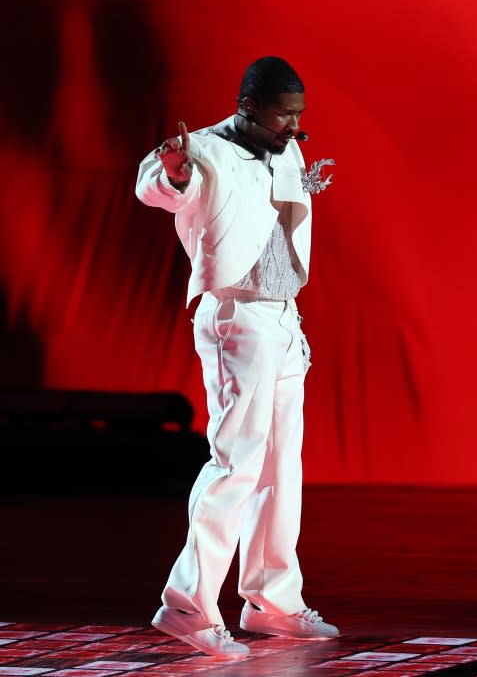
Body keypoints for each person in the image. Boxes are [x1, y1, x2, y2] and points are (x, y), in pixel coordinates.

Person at [135, 56, 339, 659]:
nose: (294, 128)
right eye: (285, 115)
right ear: (249, 106)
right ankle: (188, 606)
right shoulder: (203, 150)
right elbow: (161, 184)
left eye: (300, 116)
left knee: (282, 469)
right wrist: (172, 174)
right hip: (236, 318)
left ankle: (272, 601)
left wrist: (303, 185)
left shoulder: (285, 149)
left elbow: (270, 208)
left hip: (281, 315)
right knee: (236, 465)